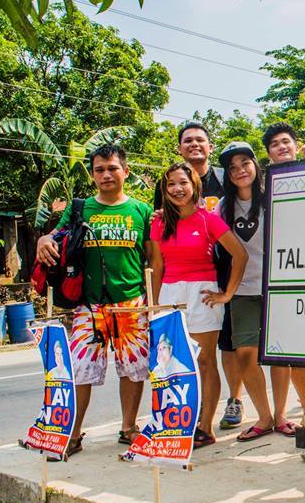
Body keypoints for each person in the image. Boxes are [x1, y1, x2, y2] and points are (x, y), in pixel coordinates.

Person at [36, 145, 154, 458]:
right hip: (88, 306)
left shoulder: (142, 211)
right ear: (93, 174)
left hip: (131, 303)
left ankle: (129, 428)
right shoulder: (79, 208)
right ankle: (72, 434)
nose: (106, 174)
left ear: (125, 171)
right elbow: (55, 235)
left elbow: (153, 259)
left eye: (112, 168)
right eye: (99, 169)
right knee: (81, 371)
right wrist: (43, 239)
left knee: (132, 369)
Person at [151, 121, 245, 431]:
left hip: (204, 292)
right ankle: (177, 422)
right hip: (169, 296)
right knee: (172, 363)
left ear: (194, 186)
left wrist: (227, 294)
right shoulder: (159, 222)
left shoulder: (208, 218)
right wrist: (154, 306)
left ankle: (205, 425)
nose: (178, 189)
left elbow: (239, 254)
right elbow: (156, 266)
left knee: (205, 362)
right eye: (171, 185)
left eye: (183, 183)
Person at [216, 141, 289, 439]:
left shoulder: (274, 197)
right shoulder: (223, 207)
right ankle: (264, 417)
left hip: (278, 287)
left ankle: (282, 415)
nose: (239, 171)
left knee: (281, 354)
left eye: (244, 163)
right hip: (243, 288)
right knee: (246, 354)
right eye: (232, 167)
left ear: (255, 165)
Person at [262, 122, 305, 425]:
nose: (282, 147)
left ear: (295, 143)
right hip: (284, 272)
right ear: (269, 153)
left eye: (286, 141)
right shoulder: (265, 186)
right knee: (296, 344)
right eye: (274, 144)